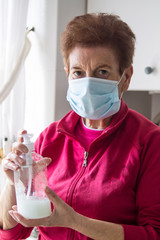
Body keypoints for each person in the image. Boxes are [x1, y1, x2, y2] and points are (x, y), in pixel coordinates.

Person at [0, 12, 160, 240]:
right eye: (78, 72)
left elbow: (153, 234)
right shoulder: (50, 138)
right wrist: (12, 183)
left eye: (102, 72)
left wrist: (74, 222)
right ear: (67, 73)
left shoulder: (150, 142)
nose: (87, 85)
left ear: (125, 77)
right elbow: (12, 234)